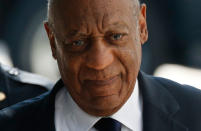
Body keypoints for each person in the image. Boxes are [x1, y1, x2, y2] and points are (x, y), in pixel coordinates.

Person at [0, 0, 201, 130]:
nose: (99, 62)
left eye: (115, 37)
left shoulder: (196, 114)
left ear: (141, 27)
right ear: (52, 41)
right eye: (78, 42)